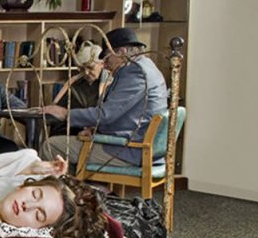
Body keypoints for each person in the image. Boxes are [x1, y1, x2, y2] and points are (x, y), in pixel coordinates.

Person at [40, 27, 168, 169]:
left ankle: (67, 184)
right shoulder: (146, 66)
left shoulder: (135, 72)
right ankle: (80, 183)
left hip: (129, 151)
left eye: (107, 58)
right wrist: (97, 130)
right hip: (138, 146)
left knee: (51, 145)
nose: (105, 65)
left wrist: (65, 113)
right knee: (70, 145)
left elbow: (106, 114)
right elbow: (125, 115)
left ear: (121, 52)